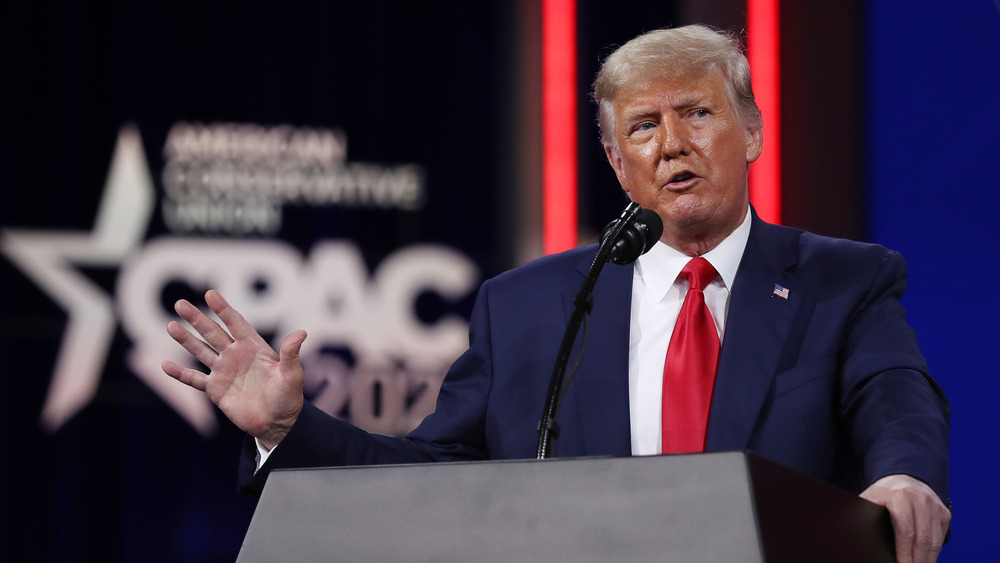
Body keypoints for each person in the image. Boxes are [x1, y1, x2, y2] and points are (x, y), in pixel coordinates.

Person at [163, 25, 951, 563]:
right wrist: (290, 427)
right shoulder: (531, 307)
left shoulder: (842, 278)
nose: (672, 143)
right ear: (615, 160)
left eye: (698, 114)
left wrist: (904, 475)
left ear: (750, 132)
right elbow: (435, 474)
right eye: (643, 127)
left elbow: (898, 397)